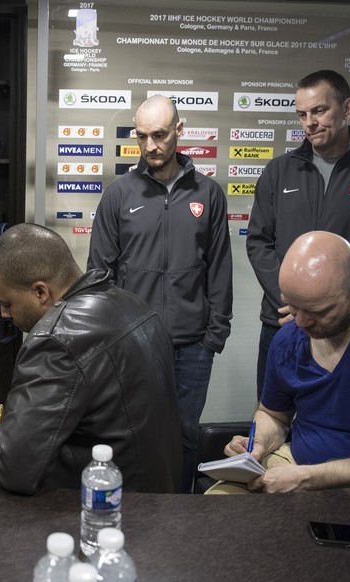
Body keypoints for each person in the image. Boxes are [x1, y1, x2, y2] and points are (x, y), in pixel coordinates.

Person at [0, 223, 182, 495]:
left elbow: (12, 467)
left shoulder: (56, 338)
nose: (3, 314)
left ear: (41, 292)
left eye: (7, 303)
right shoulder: (135, 305)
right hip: (156, 483)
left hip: (107, 492)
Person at [207, 231, 350, 494]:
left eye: (316, 311)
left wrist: (309, 477)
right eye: (293, 307)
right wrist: (259, 443)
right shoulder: (288, 339)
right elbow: (273, 414)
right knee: (219, 511)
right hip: (295, 465)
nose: (300, 323)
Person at [87, 94, 232, 493]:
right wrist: (111, 338)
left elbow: (219, 268)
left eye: (160, 135)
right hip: (135, 345)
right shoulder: (119, 195)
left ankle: (178, 516)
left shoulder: (208, 194)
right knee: (132, 435)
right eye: (142, 136)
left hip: (192, 346)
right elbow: (100, 274)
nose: (151, 146)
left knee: (185, 435)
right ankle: (136, 515)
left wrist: (214, 337)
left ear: (179, 132)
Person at [247, 69, 350, 402]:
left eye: (319, 110)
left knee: (344, 422)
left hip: (349, 325)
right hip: (284, 320)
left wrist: (331, 302)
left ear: (346, 108)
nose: (310, 122)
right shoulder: (279, 170)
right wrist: (293, 299)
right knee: (273, 416)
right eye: (302, 114)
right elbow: (259, 242)